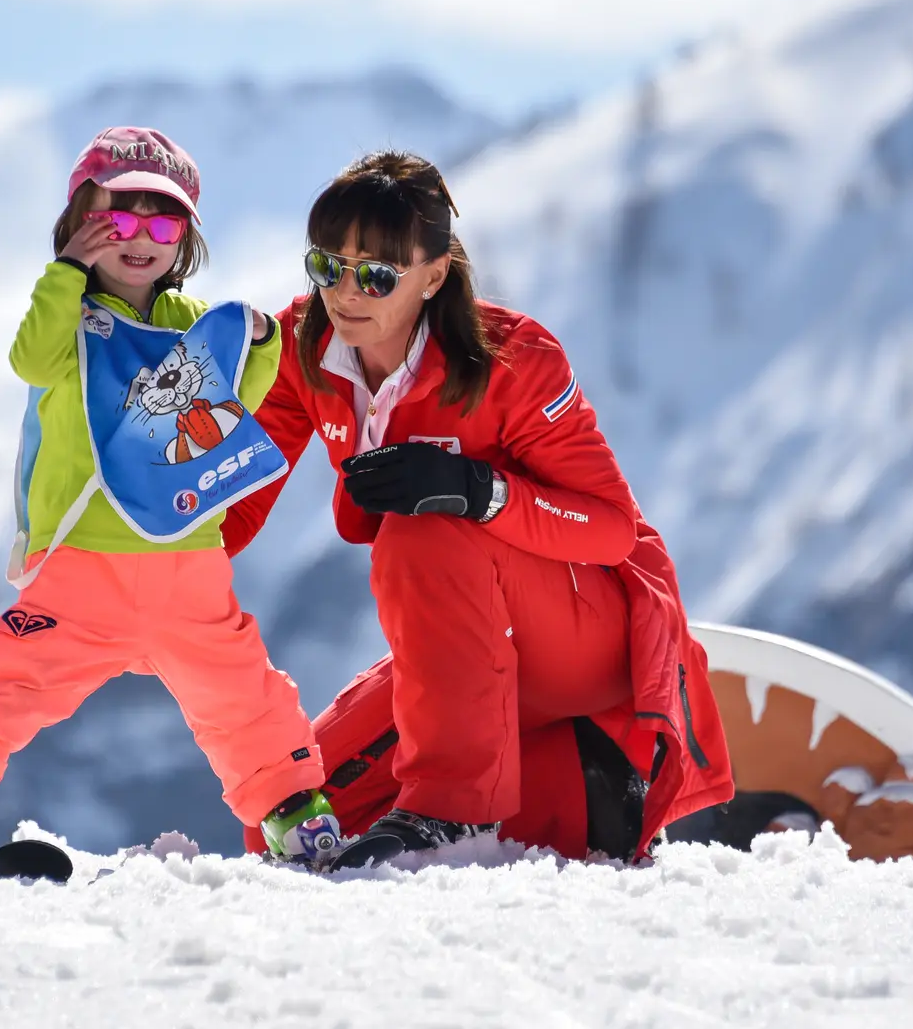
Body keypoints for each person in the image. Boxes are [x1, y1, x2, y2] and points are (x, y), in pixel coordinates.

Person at [223, 151, 736, 869]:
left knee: (424, 526)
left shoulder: (513, 359)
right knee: (292, 813)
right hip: (468, 649)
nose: (346, 292)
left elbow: (612, 528)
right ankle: (585, 790)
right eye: (326, 266)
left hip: (584, 632)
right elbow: (234, 499)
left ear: (433, 276)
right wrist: (144, 557)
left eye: (375, 274)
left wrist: (480, 490)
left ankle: (450, 811)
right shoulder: (305, 346)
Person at [0, 127, 343, 864]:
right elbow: (30, 357)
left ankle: (291, 808)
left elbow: (228, 409)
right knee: (10, 676)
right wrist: (63, 275)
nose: (140, 238)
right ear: (79, 224)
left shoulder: (188, 322)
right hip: (87, 559)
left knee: (241, 689)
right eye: (118, 217)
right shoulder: (72, 322)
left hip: (187, 557)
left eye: (164, 221)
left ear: (185, 238)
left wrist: (259, 344)